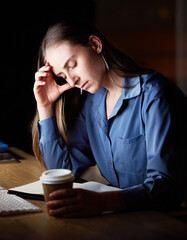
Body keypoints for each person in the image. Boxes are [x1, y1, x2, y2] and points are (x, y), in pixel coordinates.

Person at [32, 20, 187, 217]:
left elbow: (167, 187)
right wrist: (45, 106)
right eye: (62, 75)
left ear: (95, 45)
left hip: (170, 221)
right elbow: (62, 170)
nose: (72, 81)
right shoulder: (93, 102)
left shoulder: (154, 94)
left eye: (73, 65)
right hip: (126, 220)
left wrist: (102, 202)